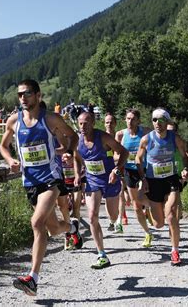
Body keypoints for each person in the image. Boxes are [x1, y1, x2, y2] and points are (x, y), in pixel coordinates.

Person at [0, 79, 82, 296]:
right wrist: (10, 160)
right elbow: (3, 146)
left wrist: (67, 152)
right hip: (30, 181)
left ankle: (33, 279)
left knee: (36, 223)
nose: (22, 98)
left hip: (51, 179)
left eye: (27, 94)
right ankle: (72, 229)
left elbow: (73, 136)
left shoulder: (51, 119)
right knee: (54, 229)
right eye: (19, 95)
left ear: (38, 95)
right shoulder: (14, 121)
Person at [135, 108, 188, 266]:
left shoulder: (175, 138)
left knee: (171, 216)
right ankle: (149, 211)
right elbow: (138, 159)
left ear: (167, 122)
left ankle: (174, 251)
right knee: (159, 224)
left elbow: (185, 155)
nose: (157, 123)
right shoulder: (146, 139)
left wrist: (186, 168)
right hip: (153, 182)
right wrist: (143, 178)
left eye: (160, 120)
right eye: (154, 120)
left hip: (171, 180)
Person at [76, 111, 128, 269]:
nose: (83, 126)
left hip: (110, 180)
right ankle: (102, 255)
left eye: (86, 123)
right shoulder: (78, 141)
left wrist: (116, 169)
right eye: (80, 124)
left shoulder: (103, 137)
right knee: (92, 216)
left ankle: (114, 221)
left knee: (113, 215)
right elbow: (77, 157)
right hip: (92, 180)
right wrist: (78, 173)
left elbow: (124, 152)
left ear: (92, 123)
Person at [115, 108, 154, 247]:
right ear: (125, 120)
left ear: (138, 121)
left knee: (145, 197)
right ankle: (148, 233)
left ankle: (154, 208)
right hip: (129, 171)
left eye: (133, 119)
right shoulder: (120, 135)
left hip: (145, 170)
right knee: (136, 205)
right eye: (128, 119)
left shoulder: (146, 132)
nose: (130, 121)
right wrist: (119, 162)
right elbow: (115, 154)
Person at [103, 113, 129, 232]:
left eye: (111, 122)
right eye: (107, 122)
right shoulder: (101, 137)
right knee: (108, 196)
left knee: (120, 193)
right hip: (105, 169)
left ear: (115, 123)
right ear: (104, 124)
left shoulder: (119, 136)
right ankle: (111, 220)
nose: (109, 124)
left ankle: (119, 220)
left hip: (119, 167)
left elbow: (123, 152)